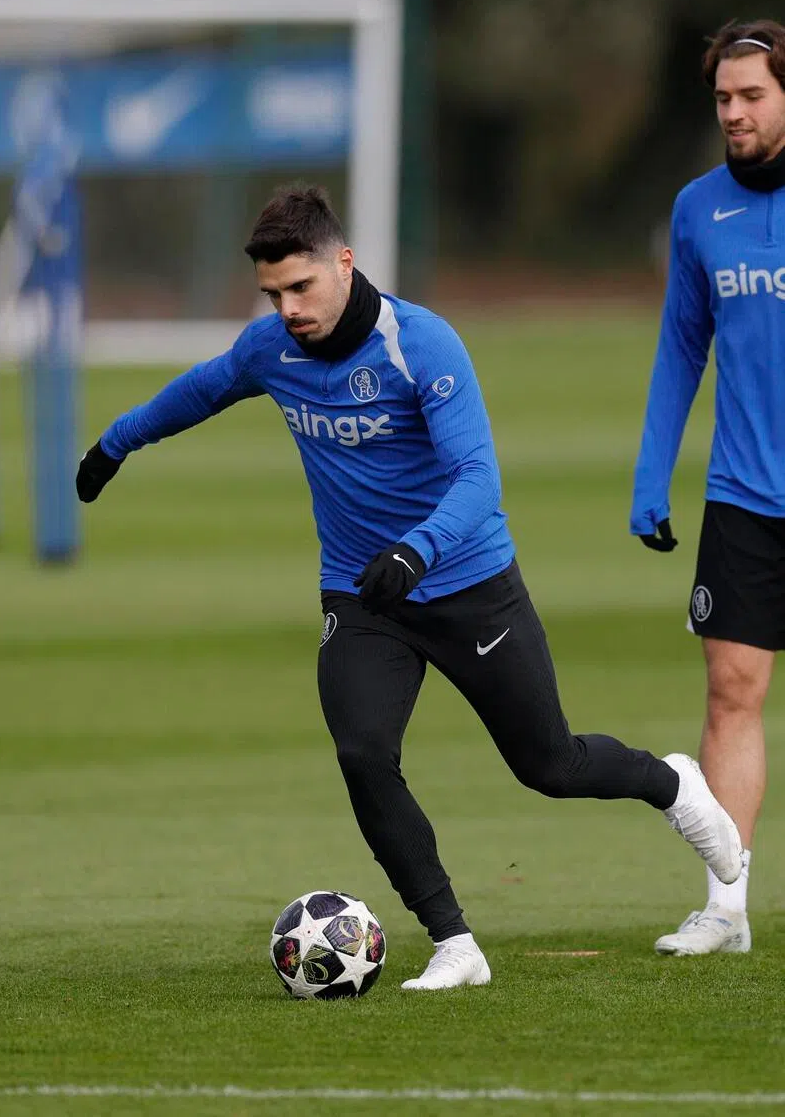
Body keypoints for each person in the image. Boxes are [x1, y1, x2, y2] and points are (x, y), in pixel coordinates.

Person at [79, 184, 741, 989]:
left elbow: (478, 479)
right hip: (363, 597)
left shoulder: (420, 344)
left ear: (344, 263)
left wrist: (416, 551)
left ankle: (672, 784)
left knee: (550, 765)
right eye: (274, 294)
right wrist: (115, 444)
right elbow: (200, 389)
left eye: (301, 287)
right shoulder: (269, 350)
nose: (289, 309)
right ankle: (454, 942)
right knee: (363, 753)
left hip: (468, 585)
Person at [632, 19, 785, 957]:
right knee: (732, 692)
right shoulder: (698, 209)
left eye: (752, 95)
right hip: (744, 496)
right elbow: (682, 346)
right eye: (724, 97)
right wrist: (653, 473)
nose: (733, 111)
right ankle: (727, 908)